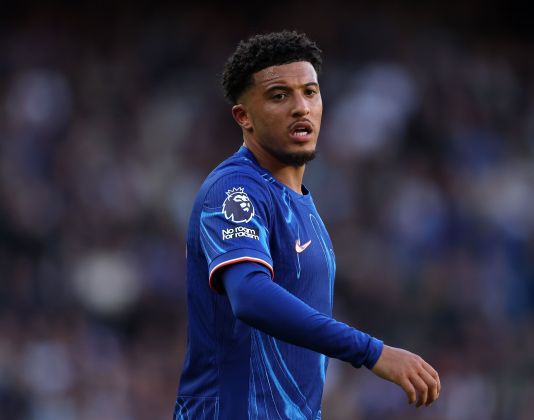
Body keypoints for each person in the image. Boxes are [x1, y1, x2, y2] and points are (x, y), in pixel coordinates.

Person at [173, 31, 440, 419]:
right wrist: (372, 352)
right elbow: (249, 295)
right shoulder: (233, 190)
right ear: (243, 116)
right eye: (279, 96)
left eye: (310, 92)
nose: (301, 107)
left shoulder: (301, 203)